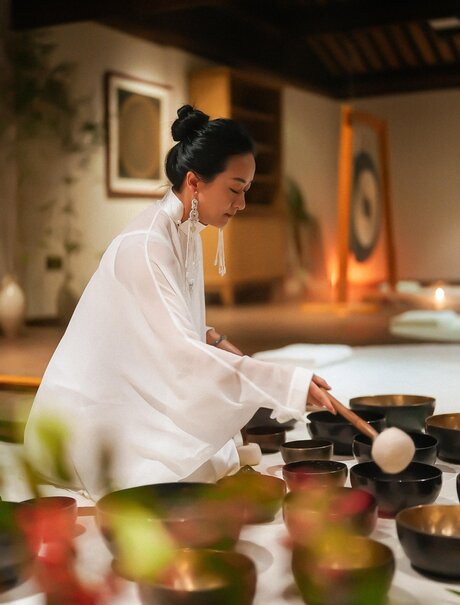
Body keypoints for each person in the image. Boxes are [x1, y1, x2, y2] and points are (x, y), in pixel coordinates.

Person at [24, 105, 334, 501]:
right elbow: (182, 357)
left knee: (211, 453)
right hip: (87, 415)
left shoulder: (183, 229)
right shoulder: (147, 245)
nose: (240, 204)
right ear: (195, 182)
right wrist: (286, 381)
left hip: (129, 385)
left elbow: (176, 325)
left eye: (246, 191)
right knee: (183, 470)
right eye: (235, 189)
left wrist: (217, 339)